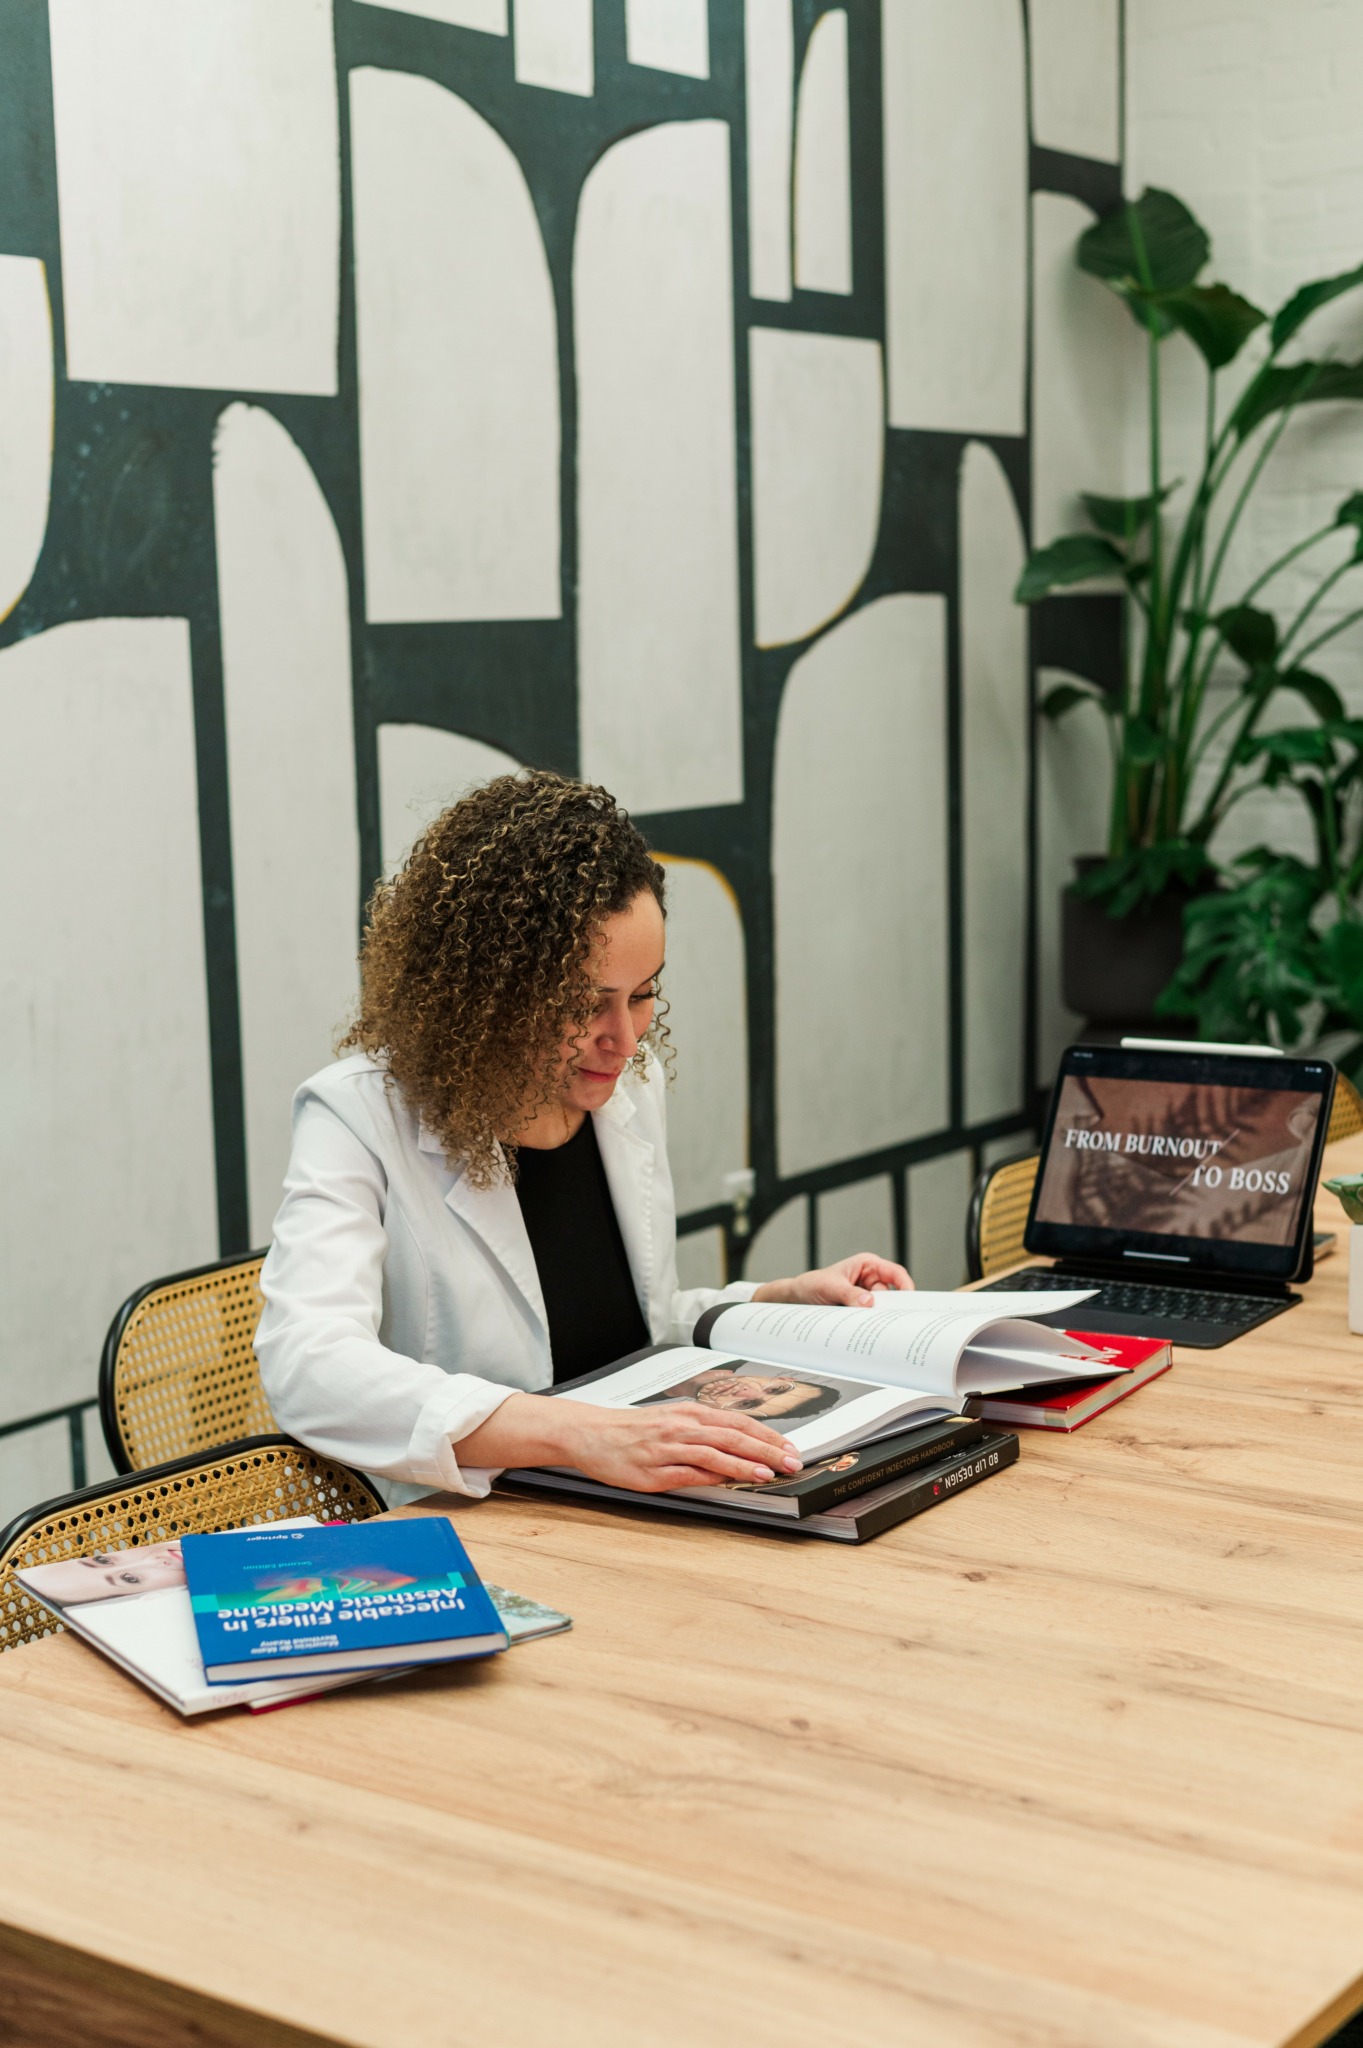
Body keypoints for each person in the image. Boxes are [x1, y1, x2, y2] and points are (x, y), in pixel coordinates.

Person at [257, 772, 912, 1506]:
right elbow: (308, 1366)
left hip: (633, 1506)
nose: (625, 1040)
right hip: (480, 1520)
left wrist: (773, 1300)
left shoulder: (626, 1086)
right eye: (583, 1004)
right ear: (489, 993)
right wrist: (579, 1435)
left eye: (643, 994)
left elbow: (626, 1328)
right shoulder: (358, 1116)